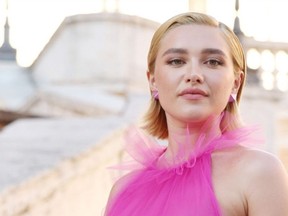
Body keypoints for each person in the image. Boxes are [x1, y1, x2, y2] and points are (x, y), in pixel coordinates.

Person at [104, 12, 288, 216]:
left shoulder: (259, 173)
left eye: (212, 62)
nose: (194, 75)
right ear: (153, 80)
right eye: (176, 61)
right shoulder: (123, 191)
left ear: (235, 83)